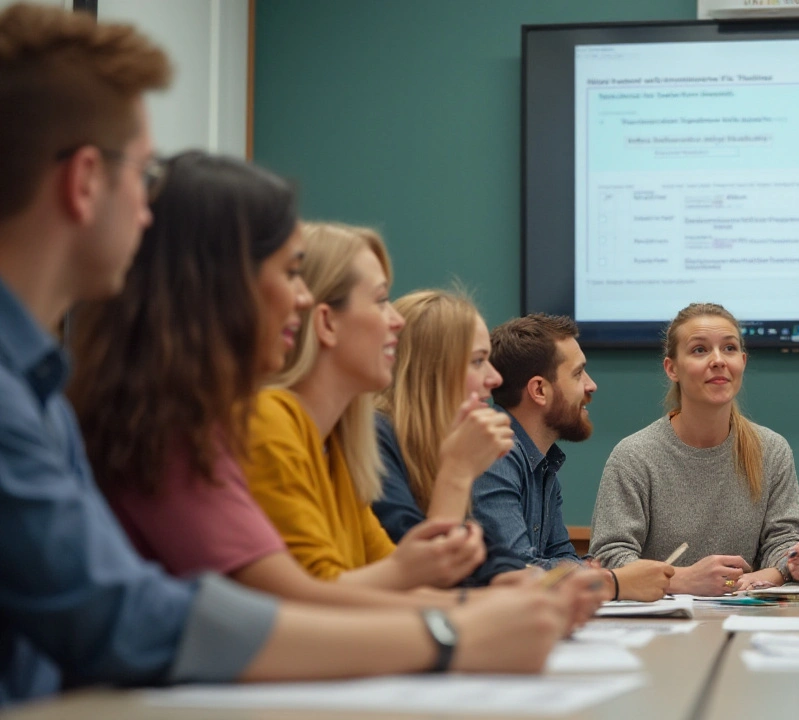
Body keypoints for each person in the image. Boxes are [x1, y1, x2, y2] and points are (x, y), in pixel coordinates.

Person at [0, 4, 565, 704]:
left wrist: (463, 617)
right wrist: (452, 631)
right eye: (140, 176)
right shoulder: (120, 412)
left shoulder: (42, 393)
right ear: (84, 180)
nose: (146, 212)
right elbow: (132, 616)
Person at [66, 152, 504, 612]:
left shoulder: (334, 445)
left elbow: (347, 593)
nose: (300, 298)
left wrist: (476, 609)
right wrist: (467, 616)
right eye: (290, 273)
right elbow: (300, 607)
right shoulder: (231, 424)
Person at [242, 222, 487, 591]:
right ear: (326, 322)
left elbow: (401, 585)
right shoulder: (268, 420)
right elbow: (318, 603)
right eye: (380, 300)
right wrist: (454, 475)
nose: (396, 320)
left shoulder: (336, 447)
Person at [590, 303, 799, 595]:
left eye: (729, 349)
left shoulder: (771, 449)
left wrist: (786, 567)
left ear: (743, 362)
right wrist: (682, 580)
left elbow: (785, 540)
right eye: (700, 350)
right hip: (660, 614)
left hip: (746, 609)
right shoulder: (634, 456)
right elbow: (610, 557)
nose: (718, 360)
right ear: (672, 368)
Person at [471, 313, 676, 601]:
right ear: (540, 390)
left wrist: (581, 572)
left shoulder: (543, 463)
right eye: (578, 374)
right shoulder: (494, 451)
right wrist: (610, 580)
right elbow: (516, 571)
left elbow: (561, 556)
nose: (591, 386)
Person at [371, 289, 535, 585]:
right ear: (430, 372)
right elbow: (425, 572)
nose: (494, 379)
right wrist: (457, 471)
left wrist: (521, 581)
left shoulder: (434, 446)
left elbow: (492, 554)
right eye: (477, 361)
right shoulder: (376, 439)